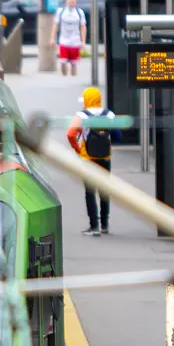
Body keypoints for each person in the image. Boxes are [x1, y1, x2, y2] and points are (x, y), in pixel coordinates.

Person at [67, 86, 115, 236]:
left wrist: (77, 149)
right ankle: (105, 225)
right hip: (105, 158)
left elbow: (70, 134)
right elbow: (118, 135)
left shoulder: (82, 116)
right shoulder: (109, 114)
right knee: (104, 191)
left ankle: (94, 226)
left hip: (88, 158)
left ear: (87, 100)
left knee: (90, 192)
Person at [51, 0, 86, 77]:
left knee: (74, 63)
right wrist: (52, 38)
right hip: (64, 40)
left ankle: (73, 77)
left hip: (75, 41)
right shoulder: (61, 11)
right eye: (70, 2)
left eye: (73, 2)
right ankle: (64, 76)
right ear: (66, 2)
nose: (71, 4)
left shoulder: (79, 12)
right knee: (63, 62)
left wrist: (83, 41)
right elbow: (56, 25)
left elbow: (83, 27)